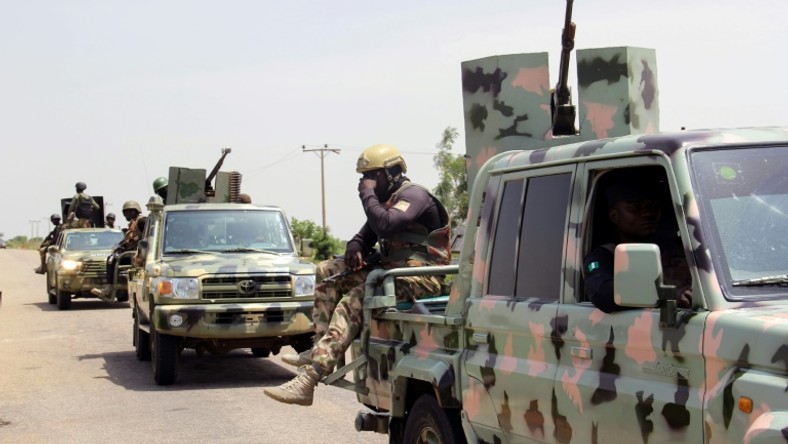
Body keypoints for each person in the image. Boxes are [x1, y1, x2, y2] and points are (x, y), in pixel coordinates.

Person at [264, 144, 451, 406]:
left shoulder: (416, 196)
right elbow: (365, 236)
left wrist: (367, 195)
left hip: (422, 278)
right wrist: (355, 247)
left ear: (392, 173)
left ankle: (309, 380)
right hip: (392, 275)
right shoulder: (387, 202)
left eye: (372, 176)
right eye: (364, 177)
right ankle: (319, 345)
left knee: (354, 299)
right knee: (327, 271)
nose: (366, 182)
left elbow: (386, 224)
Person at [583, 169, 691, 313]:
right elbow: (603, 294)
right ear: (614, 215)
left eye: (653, 207)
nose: (647, 213)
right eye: (635, 208)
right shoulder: (604, 257)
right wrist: (668, 298)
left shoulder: (682, 248)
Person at [91, 200, 145, 301]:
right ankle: (111, 289)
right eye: (125, 212)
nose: (126, 214)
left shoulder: (142, 221)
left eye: (129, 211)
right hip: (132, 254)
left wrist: (128, 243)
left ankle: (112, 289)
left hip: (138, 255)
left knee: (113, 260)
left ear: (136, 211)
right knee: (112, 259)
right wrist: (120, 245)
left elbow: (143, 236)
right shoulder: (133, 223)